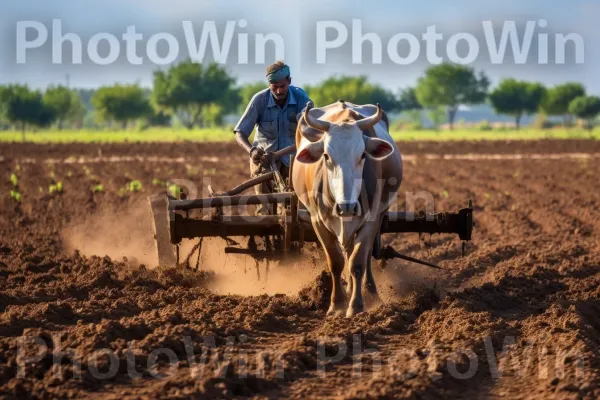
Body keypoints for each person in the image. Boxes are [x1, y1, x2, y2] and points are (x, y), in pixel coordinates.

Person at [233, 61, 312, 215]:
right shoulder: (260, 100)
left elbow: (308, 128)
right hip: (263, 160)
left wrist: (280, 154)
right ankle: (266, 237)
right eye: (274, 86)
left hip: (293, 161)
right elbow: (240, 132)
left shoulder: (301, 98)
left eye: (282, 86)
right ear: (269, 84)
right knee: (264, 209)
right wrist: (252, 151)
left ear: (289, 81)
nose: (278, 90)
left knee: (297, 209)